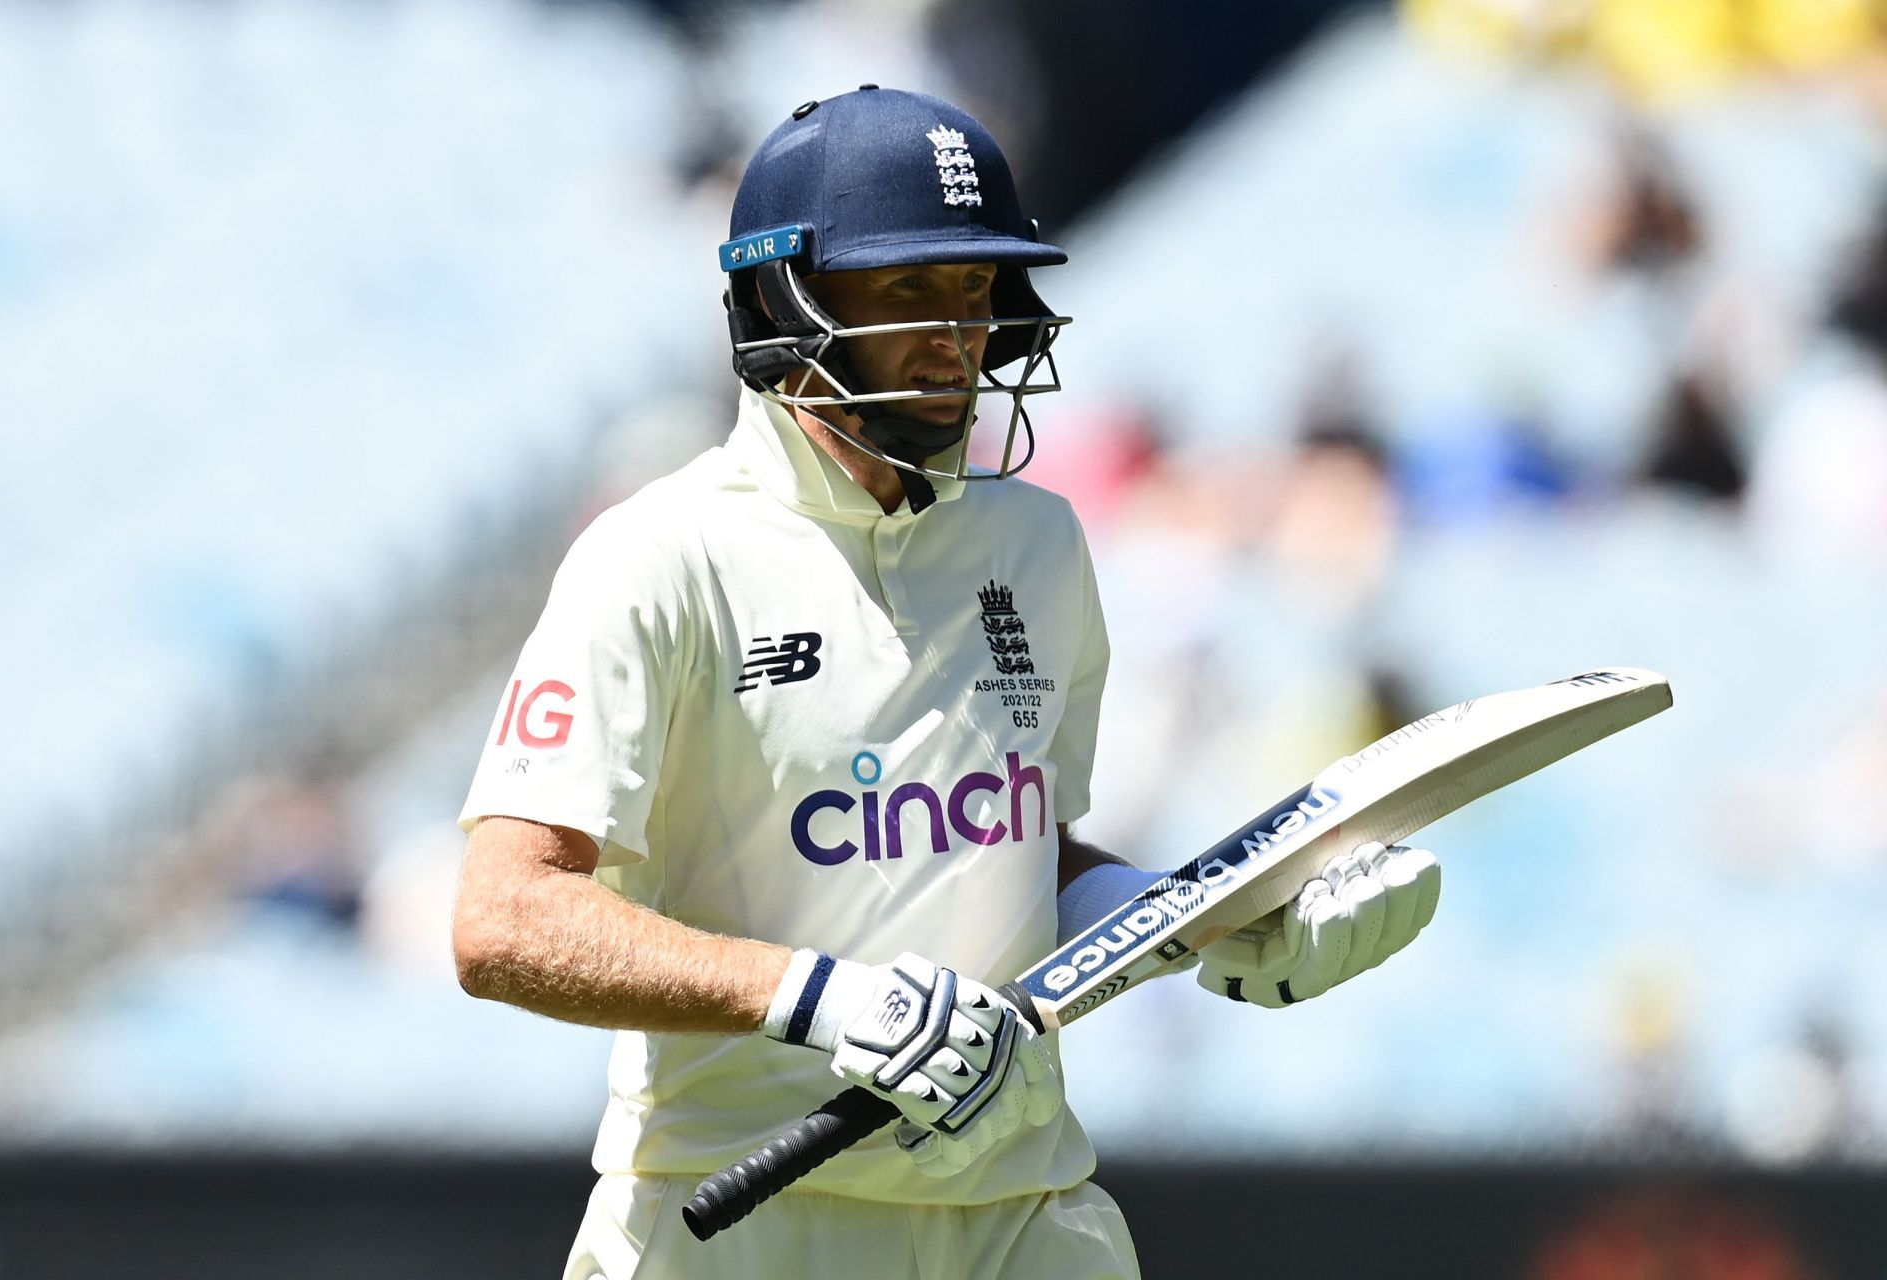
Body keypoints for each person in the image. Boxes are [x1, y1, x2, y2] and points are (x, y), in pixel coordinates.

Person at [450, 86, 1441, 1280]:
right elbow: (502, 917)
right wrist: (818, 998)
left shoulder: (1038, 544)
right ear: (782, 300)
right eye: (909, 291)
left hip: (1020, 1212)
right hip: (742, 1225)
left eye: (975, 292)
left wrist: (1215, 924)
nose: (957, 338)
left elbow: (1026, 856)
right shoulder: (659, 558)